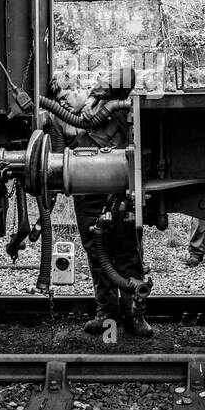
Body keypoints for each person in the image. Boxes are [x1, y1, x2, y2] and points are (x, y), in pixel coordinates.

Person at [54, 68, 154, 338]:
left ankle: (135, 315)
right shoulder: (62, 125)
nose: (65, 102)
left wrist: (92, 96)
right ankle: (106, 313)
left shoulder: (105, 105)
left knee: (127, 251)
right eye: (60, 101)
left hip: (117, 190)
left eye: (68, 95)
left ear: (79, 89)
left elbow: (127, 74)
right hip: (87, 195)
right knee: (97, 254)